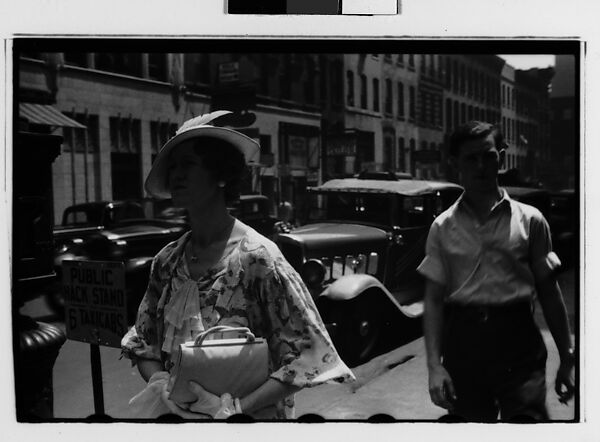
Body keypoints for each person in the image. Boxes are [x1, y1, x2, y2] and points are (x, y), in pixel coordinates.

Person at [121, 110, 354, 420]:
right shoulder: (167, 261)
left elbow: (309, 356)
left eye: (188, 164)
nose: (176, 174)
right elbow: (144, 344)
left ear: (220, 176)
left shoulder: (258, 258)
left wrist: (236, 409)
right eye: (173, 166)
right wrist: (161, 383)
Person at [417, 121, 575, 422]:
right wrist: (434, 366)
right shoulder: (442, 227)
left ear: (500, 157)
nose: (481, 166)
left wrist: (567, 356)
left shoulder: (531, 220)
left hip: (519, 342)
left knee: (527, 423)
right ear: (456, 164)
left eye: (489, 156)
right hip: (464, 343)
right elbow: (434, 301)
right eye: (471, 158)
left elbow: (549, 293)